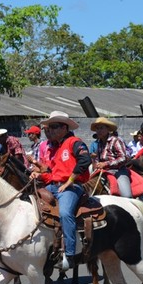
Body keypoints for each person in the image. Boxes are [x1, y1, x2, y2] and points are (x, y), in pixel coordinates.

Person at [29, 111, 91, 269]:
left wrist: (69, 181)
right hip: (54, 186)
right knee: (30, 201)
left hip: (72, 187)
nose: (50, 130)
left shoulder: (75, 142)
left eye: (54, 127)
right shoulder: (56, 148)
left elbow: (85, 160)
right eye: (49, 127)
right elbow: (52, 172)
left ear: (64, 127)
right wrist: (39, 175)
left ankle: (70, 255)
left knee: (64, 213)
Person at [91, 117, 132, 197]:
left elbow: (123, 158)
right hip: (103, 171)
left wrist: (105, 164)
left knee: (127, 195)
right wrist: (96, 163)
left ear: (108, 129)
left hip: (118, 171)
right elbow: (99, 158)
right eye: (97, 128)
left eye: (101, 128)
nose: (99, 131)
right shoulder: (99, 143)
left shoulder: (115, 140)